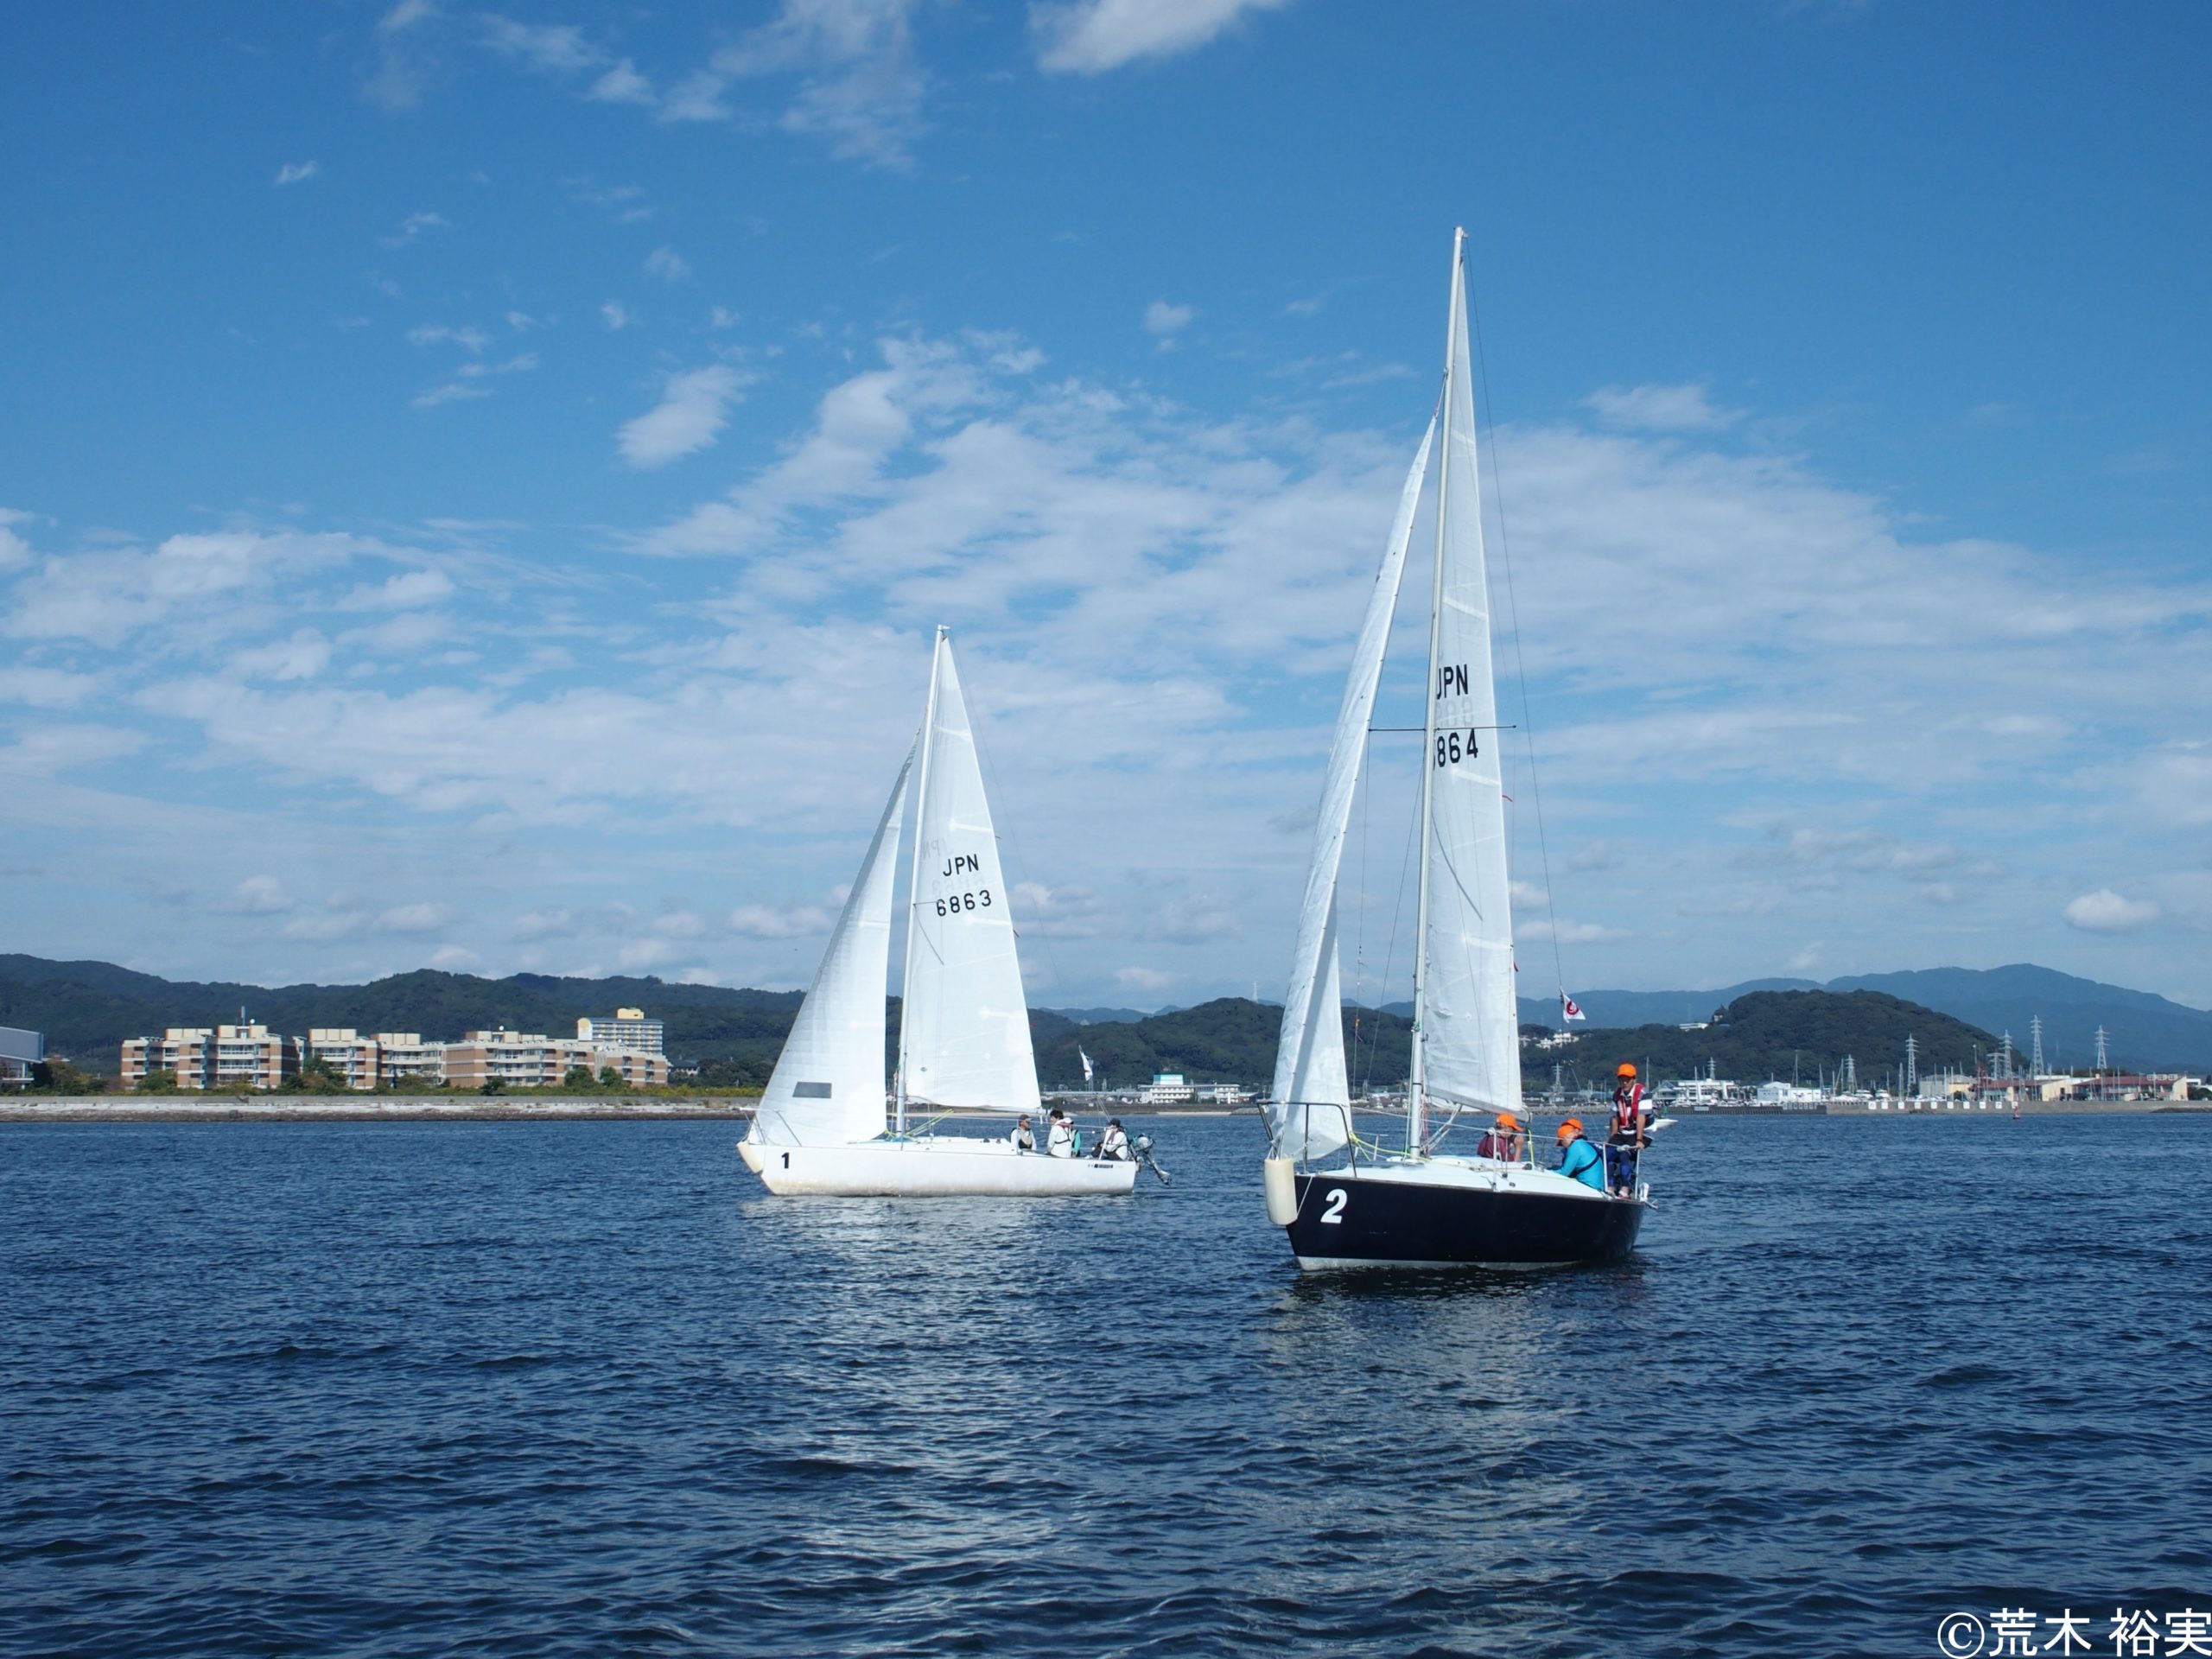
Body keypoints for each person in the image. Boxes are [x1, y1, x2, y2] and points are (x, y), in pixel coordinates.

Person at [1608, 1062, 1649, 1196]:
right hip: (1624, 1132)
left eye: (1627, 1079)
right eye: (1622, 1080)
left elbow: (1641, 1117)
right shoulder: (1617, 1095)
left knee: (1625, 1153)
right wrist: (1612, 1138)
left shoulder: (1643, 1093)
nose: (1624, 1083)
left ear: (1634, 1080)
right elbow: (1614, 1117)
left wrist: (1639, 1140)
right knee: (1608, 1152)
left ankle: (1626, 1187)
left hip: (1642, 1132)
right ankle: (1610, 1186)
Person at [1554, 1117, 1605, 1192]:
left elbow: (1564, 1172)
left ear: (1565, 1137)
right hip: (1597, 1186)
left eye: (1561, 1142)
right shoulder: (1582, 1143)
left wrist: (1546, 1172)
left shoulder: (1575, 1146)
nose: (1563, 1145)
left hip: (1589, 1187)